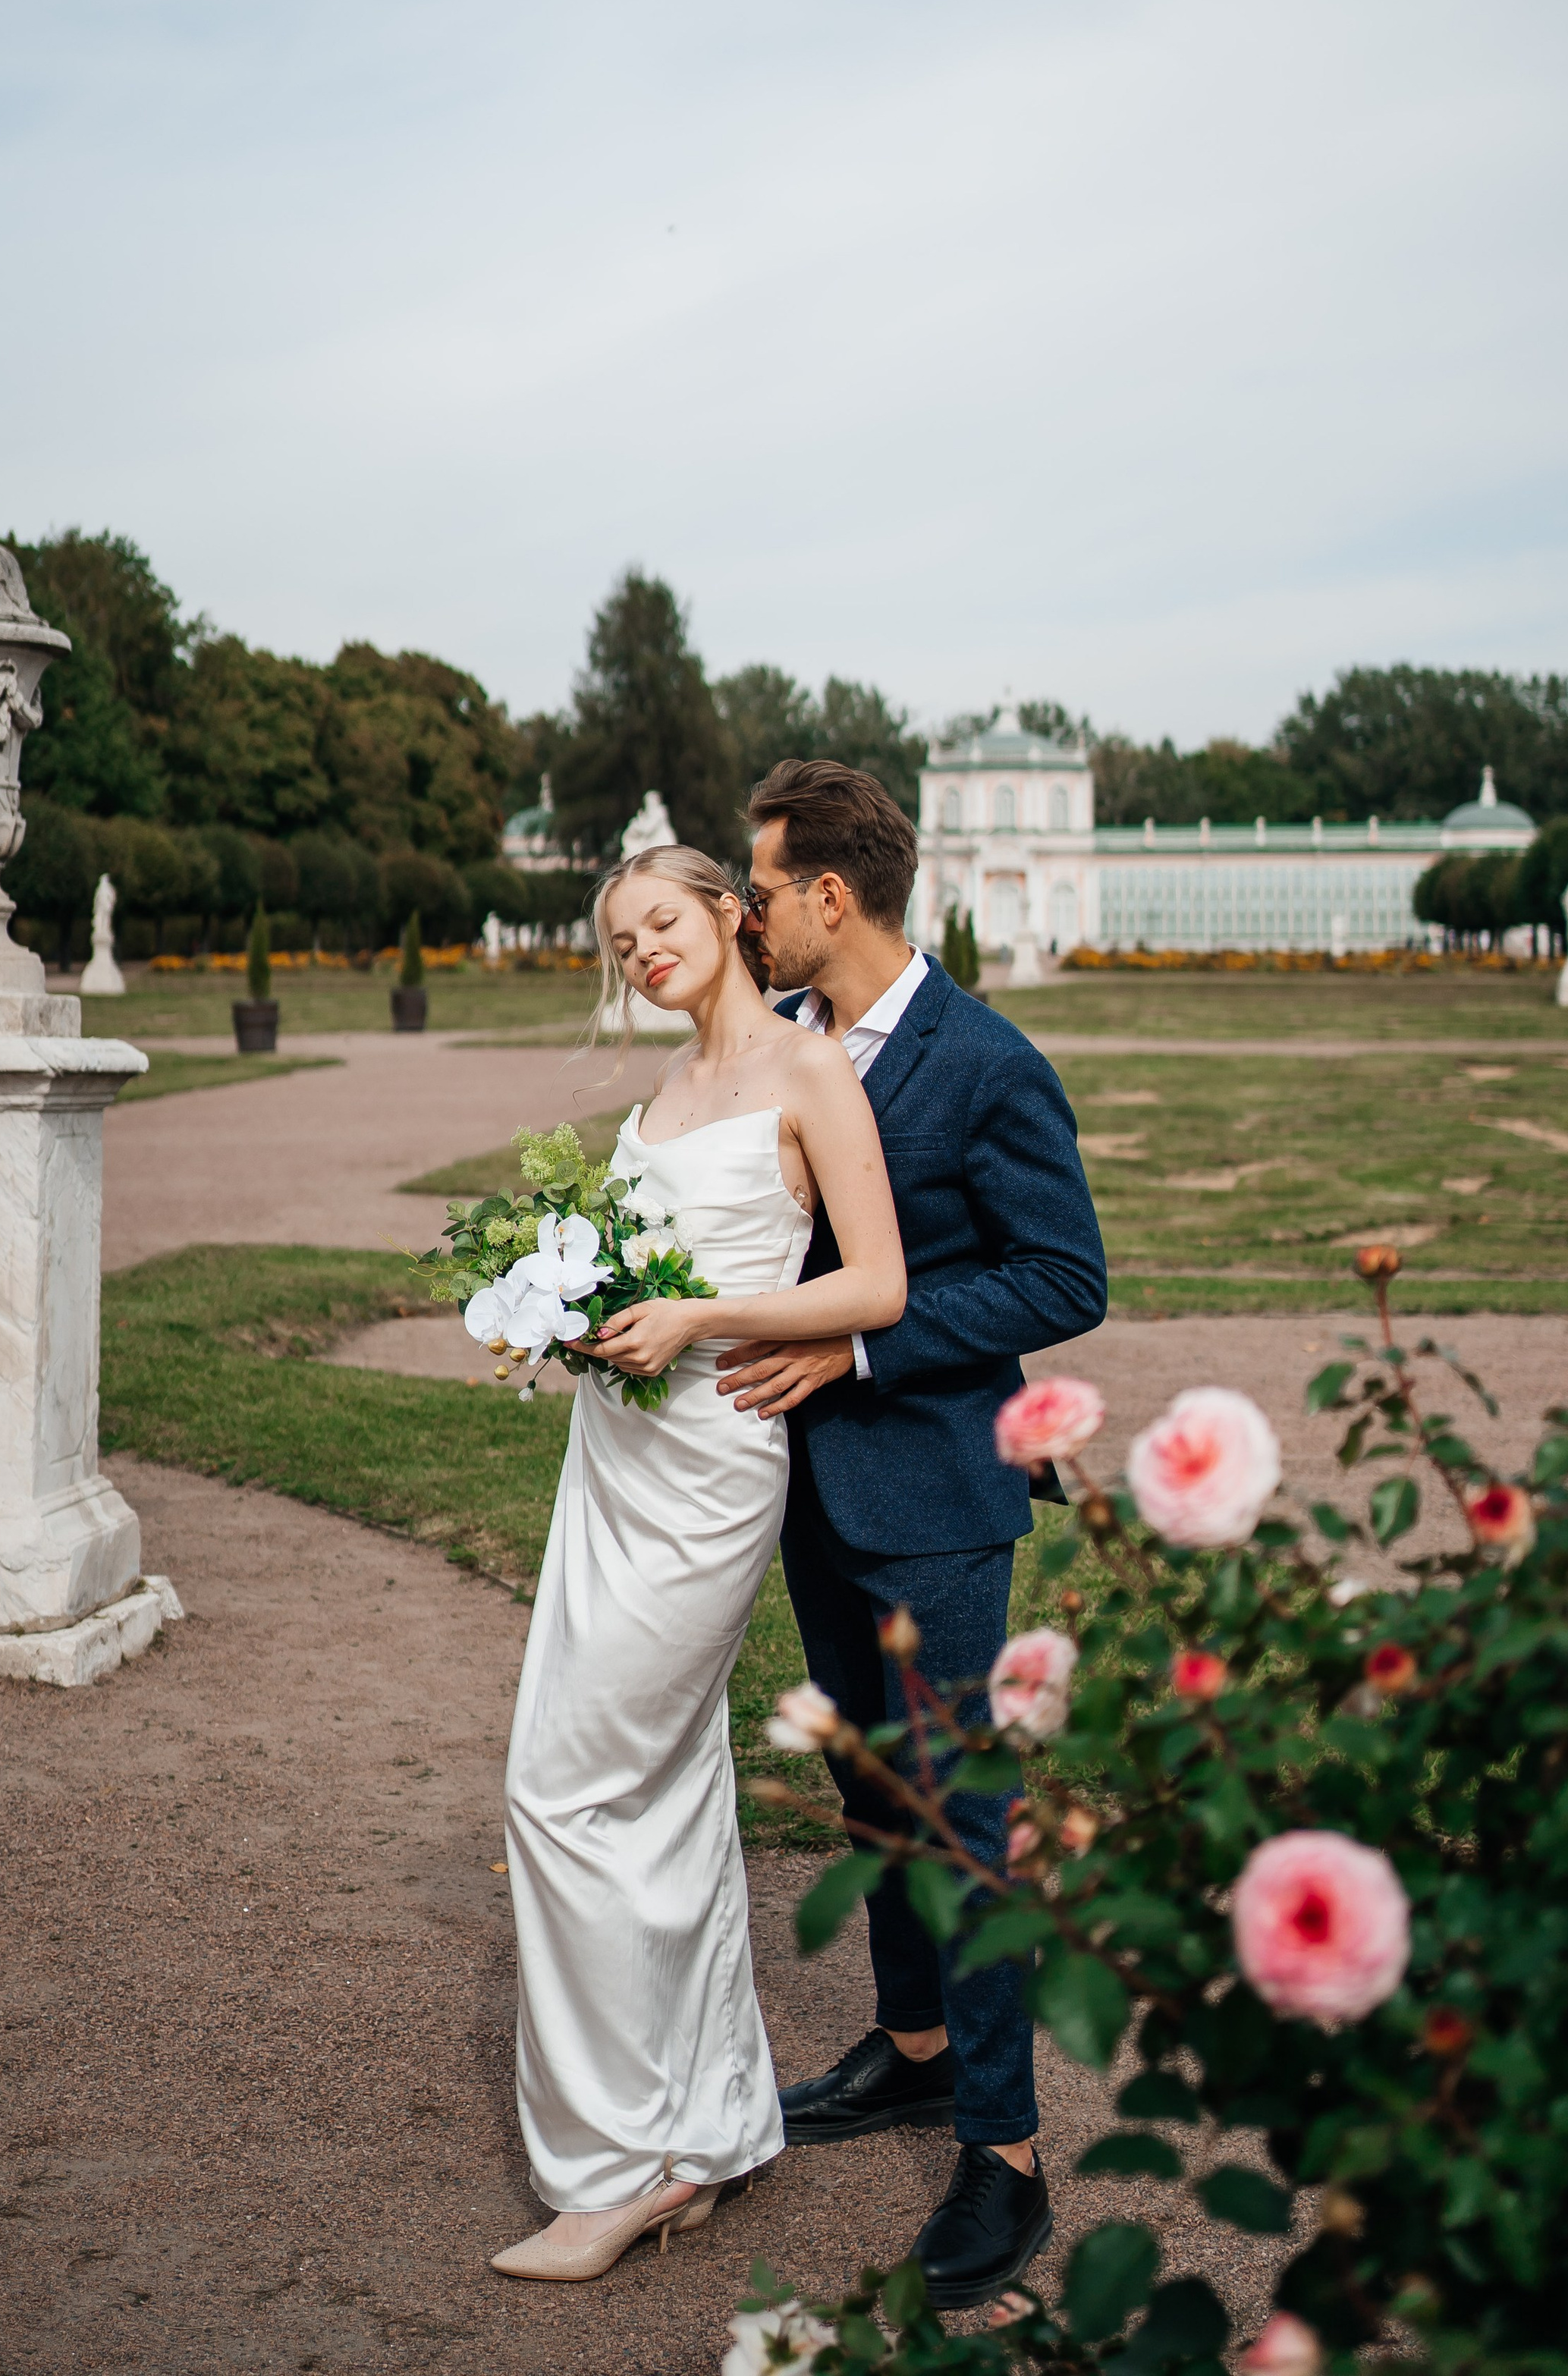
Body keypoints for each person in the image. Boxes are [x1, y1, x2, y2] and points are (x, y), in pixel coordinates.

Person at [715, 758, 1106, 2312]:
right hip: (808, 1490)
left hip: (936, 1495)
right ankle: (918, 2045)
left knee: (962, 1817)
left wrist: (865, 1347)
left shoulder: (986, 1062)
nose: (746, 913)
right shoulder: (777, 1039)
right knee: (872, 1790)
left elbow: (1062, 1276)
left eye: (760, 888)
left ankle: (1005, 2154)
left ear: (831, 893)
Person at [490, 844, 908, 2284]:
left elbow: (877, 1283)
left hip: (713, 1467)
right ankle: (703, 2134)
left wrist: (696, 1321)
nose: (643, 953)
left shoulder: (811, 1069)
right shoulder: (662, 1092)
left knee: (562, 1788)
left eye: (661, 923)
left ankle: (615, 2168)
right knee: (659, 1789)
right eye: (621, 943)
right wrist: (568, 1314)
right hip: (611, 1464)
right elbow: (634, 1273)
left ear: (731, 913)